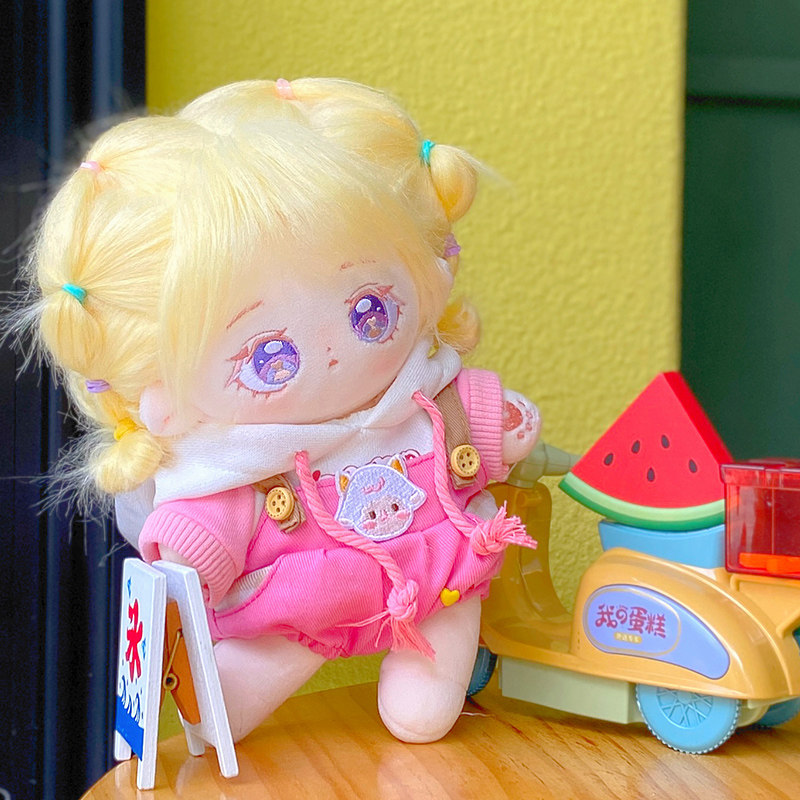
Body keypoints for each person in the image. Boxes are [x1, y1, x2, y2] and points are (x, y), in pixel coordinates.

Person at [22, 78, 541, 744]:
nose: (333, 354)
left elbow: (463, 416)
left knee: (426, 702)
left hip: (436, 574)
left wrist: (502, 423)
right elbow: (208, 524)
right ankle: (228, 694)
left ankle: (426, 684)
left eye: (370, 310)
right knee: (249, 677)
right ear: (170, 394)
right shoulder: (238, 459)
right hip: (305, 604)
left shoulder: (419, 392)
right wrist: (189, 555)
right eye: (269, 356)